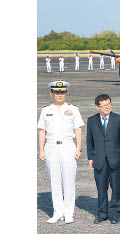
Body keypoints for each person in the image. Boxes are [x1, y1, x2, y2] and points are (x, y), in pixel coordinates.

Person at [38, 81, 84, 224]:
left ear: (66, 93)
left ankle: (68, 213)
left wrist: (78, 148)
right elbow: (42, 131)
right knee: (55, 181)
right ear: (51, 93)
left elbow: (78, 130)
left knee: (69, 180)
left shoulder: (73, 109)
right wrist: (41, 150)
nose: (59, 95)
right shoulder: (46, 110)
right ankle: (57, 212)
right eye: (57, 92)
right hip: (51, 148)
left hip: (68, 147)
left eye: (62, 92)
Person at [86, 94, 120, 224]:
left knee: (116, 188)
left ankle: (116, 214)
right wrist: (90, 157)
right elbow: (89, 140)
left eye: (109, 104)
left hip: (116, 159)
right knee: (101, 188)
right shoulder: (92, 120)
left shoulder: (119, 119)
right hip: (99, 160)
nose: (107, 107)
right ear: (97, 106)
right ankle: (102, 213)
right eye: (104, 105)